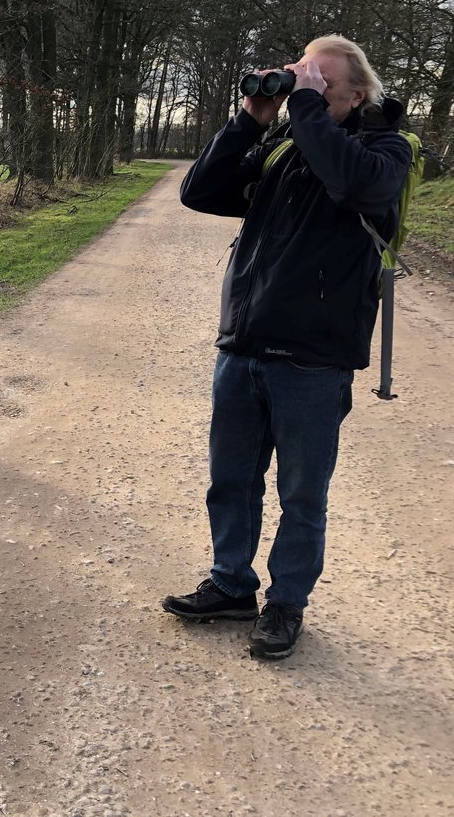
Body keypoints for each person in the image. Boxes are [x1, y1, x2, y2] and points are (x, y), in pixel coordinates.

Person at [164, 35, 412, 660]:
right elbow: (200, 192)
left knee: (301, 492)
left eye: (321, 82)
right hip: (244, 346)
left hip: (315, 359)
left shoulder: (384, 151)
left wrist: (302, 107)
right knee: (231, 480)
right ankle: (230, 585)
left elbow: (351, 180)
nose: (307, 87)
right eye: (303, 76)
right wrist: (250, 119)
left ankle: (286, 603)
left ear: (357, 95)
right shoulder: (284, 148)